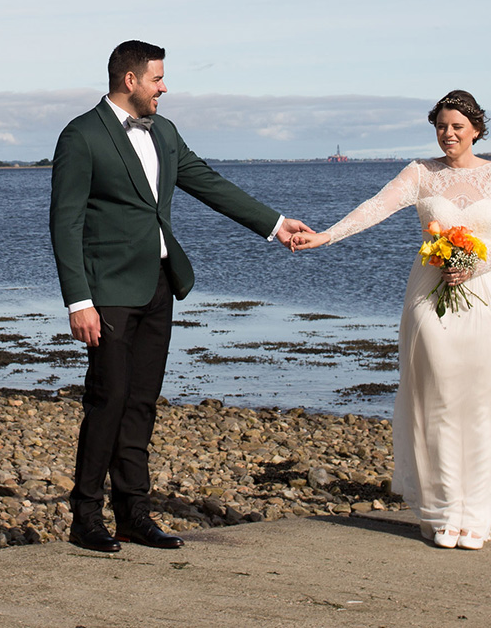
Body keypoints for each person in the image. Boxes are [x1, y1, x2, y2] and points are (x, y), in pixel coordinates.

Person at [50, 39, 316, 553]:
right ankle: (85, 518)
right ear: (131, 81)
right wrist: (77, 300)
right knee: (108, 400)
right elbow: (65, 223)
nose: (164, 87)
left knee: (143, 402)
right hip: (106, 292)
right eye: (157, 79)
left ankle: (133, 515)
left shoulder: (165, 132)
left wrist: (276, 225)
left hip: (158, 283)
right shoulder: (81, 136)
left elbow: (209, 183)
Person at [293, 89, 491, 549]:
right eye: (441, 126)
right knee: (436, 398)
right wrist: (325, 237)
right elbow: (373, 209)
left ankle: (475, 516)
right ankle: (443, 512)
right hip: (429, 296)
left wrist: (476, 265)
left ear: (476, 129)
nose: (448, 134)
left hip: (481, 294)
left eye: (457, 126)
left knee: (479, 403)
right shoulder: (421, 173)